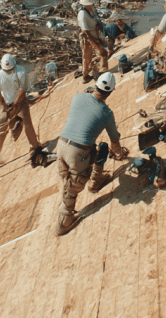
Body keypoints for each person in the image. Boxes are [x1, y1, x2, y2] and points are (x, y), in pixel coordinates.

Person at [55, 72, 127, 236]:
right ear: (110, 92)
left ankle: (96, 179)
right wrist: (119, 153)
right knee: (74, 185)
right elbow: (115, 143)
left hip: (61, 145)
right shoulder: (106, 113)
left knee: (96, 150)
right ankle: (64, 222)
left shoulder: (78, 97)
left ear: (96, 86)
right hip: (78, 152)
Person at [0, 54, 43, 162]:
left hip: (20, 101)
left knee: (28, 124)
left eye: (10, 69)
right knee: (2, 128)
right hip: (6, 104)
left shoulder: (21, 71)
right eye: (6, 70)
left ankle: (34, 147)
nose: (8, 71)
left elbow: (23, 90)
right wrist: (5, 107)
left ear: (14, 66)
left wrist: (15, 105)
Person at [77, 0, 108, 83]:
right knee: (88, 56)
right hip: (87, 37)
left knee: (103, 52)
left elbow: (96, 19)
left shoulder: (92, 9)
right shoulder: (83, 14)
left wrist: (99, 27)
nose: (93, 4)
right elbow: (86, 33)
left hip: (95, 33)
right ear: (88, 4)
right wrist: (96, 43)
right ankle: (86, 76)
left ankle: (101, 71)